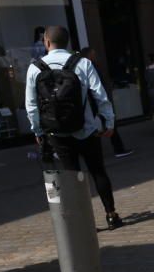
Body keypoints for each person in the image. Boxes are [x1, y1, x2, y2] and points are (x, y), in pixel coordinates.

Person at [25, 26, 122, 229]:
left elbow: (31, 105)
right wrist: (109, 122)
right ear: (67, 42)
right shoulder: (82, 63)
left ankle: (84, 224)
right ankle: (111, 215)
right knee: (98, 171)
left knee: (72, 176)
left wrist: (38, 131)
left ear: (47, 42)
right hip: (86, 128)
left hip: (57, 133)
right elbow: (100, 95)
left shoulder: (35, 68)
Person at [81, 47, 133, 158]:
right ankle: (118, 149)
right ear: (89, 55)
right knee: (107, 123)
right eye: (94, 53)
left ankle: (115, 148)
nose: (96, 56)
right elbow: (97, 88)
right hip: (96, 101)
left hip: (92, 102)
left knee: (98, 126)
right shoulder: (90, 67)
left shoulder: (83, 67)